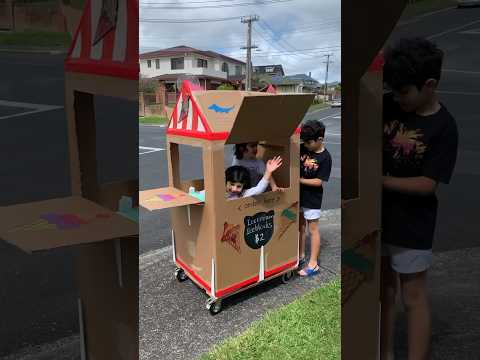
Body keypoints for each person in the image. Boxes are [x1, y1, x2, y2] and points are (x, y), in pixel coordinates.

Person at [381, 37, 458, 360]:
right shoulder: (387, 103)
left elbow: (428, 184)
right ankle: (382, 353)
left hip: (413, 226)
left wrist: (381, 181)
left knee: (413, 296)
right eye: (394, 91)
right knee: (384, 292)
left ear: (429, 85)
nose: (398, 99)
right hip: (378, 219)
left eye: (404, 92)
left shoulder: (444, 127)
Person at [298, 120, 332, 277]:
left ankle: (313, 263)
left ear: (320, 139)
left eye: (309, 142)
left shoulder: (326, 158)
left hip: (312, 199)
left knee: (313, 229)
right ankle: (300, 255)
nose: (305, 145)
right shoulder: (303, 148)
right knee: (299, 226)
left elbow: (319, 182)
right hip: (298, 196)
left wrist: (299, 180)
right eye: (303, 142)